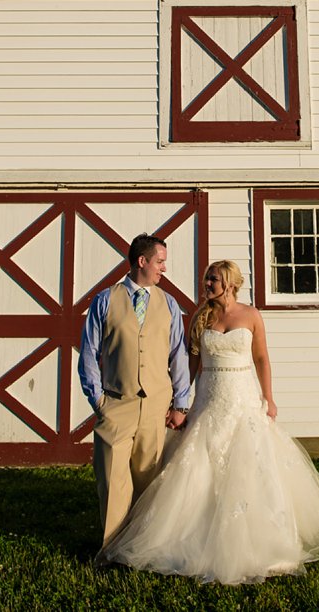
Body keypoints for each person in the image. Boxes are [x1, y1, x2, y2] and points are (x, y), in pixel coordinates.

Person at [97, 260, 319, 584]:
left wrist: (269, 397)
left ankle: (261, 541)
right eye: (206, 279)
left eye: (213, 279)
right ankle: (191, 538)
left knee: (251, 463)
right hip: (209, 398)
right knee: (200, 465)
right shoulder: (201, 318)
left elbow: (262, 359)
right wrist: (180, 404)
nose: (207, 284)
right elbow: (190, 364)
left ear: (230, 283)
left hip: (242, 397)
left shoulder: (251, 315)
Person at [78, 233, 190, 549]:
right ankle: (110, 549)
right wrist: (98, 399)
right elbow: (89, 353)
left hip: (156, 405)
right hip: (115, 404)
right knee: (112, 481)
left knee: (148, 481)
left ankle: (142, 549)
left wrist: (180, 404)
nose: (164, 268)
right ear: (142, 261)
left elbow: (178, 356)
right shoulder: (104, 300)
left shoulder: (169, 304)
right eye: (160, 262)